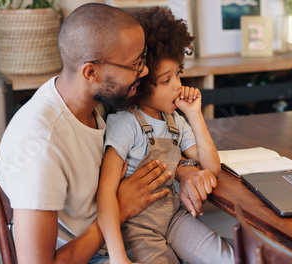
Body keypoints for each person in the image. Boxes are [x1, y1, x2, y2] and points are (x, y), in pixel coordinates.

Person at [0, 4, 174, 263]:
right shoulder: (40, 145)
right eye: (135, 64)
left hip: (126, 233)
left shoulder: (95, 102)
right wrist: (120, 209)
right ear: (91, 72)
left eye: (142, 58)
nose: (144, 71)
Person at [97, 7, 234, 264]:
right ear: (140, 85)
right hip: (139, 229)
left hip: (175, 218)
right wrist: (118, 256)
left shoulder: (175, 121)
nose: (178, 86)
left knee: (230, 258)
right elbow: (105, 194)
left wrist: (195, 115)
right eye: (166, 80)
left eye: (178, 74)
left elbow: (212, 166)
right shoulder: (124, 124)